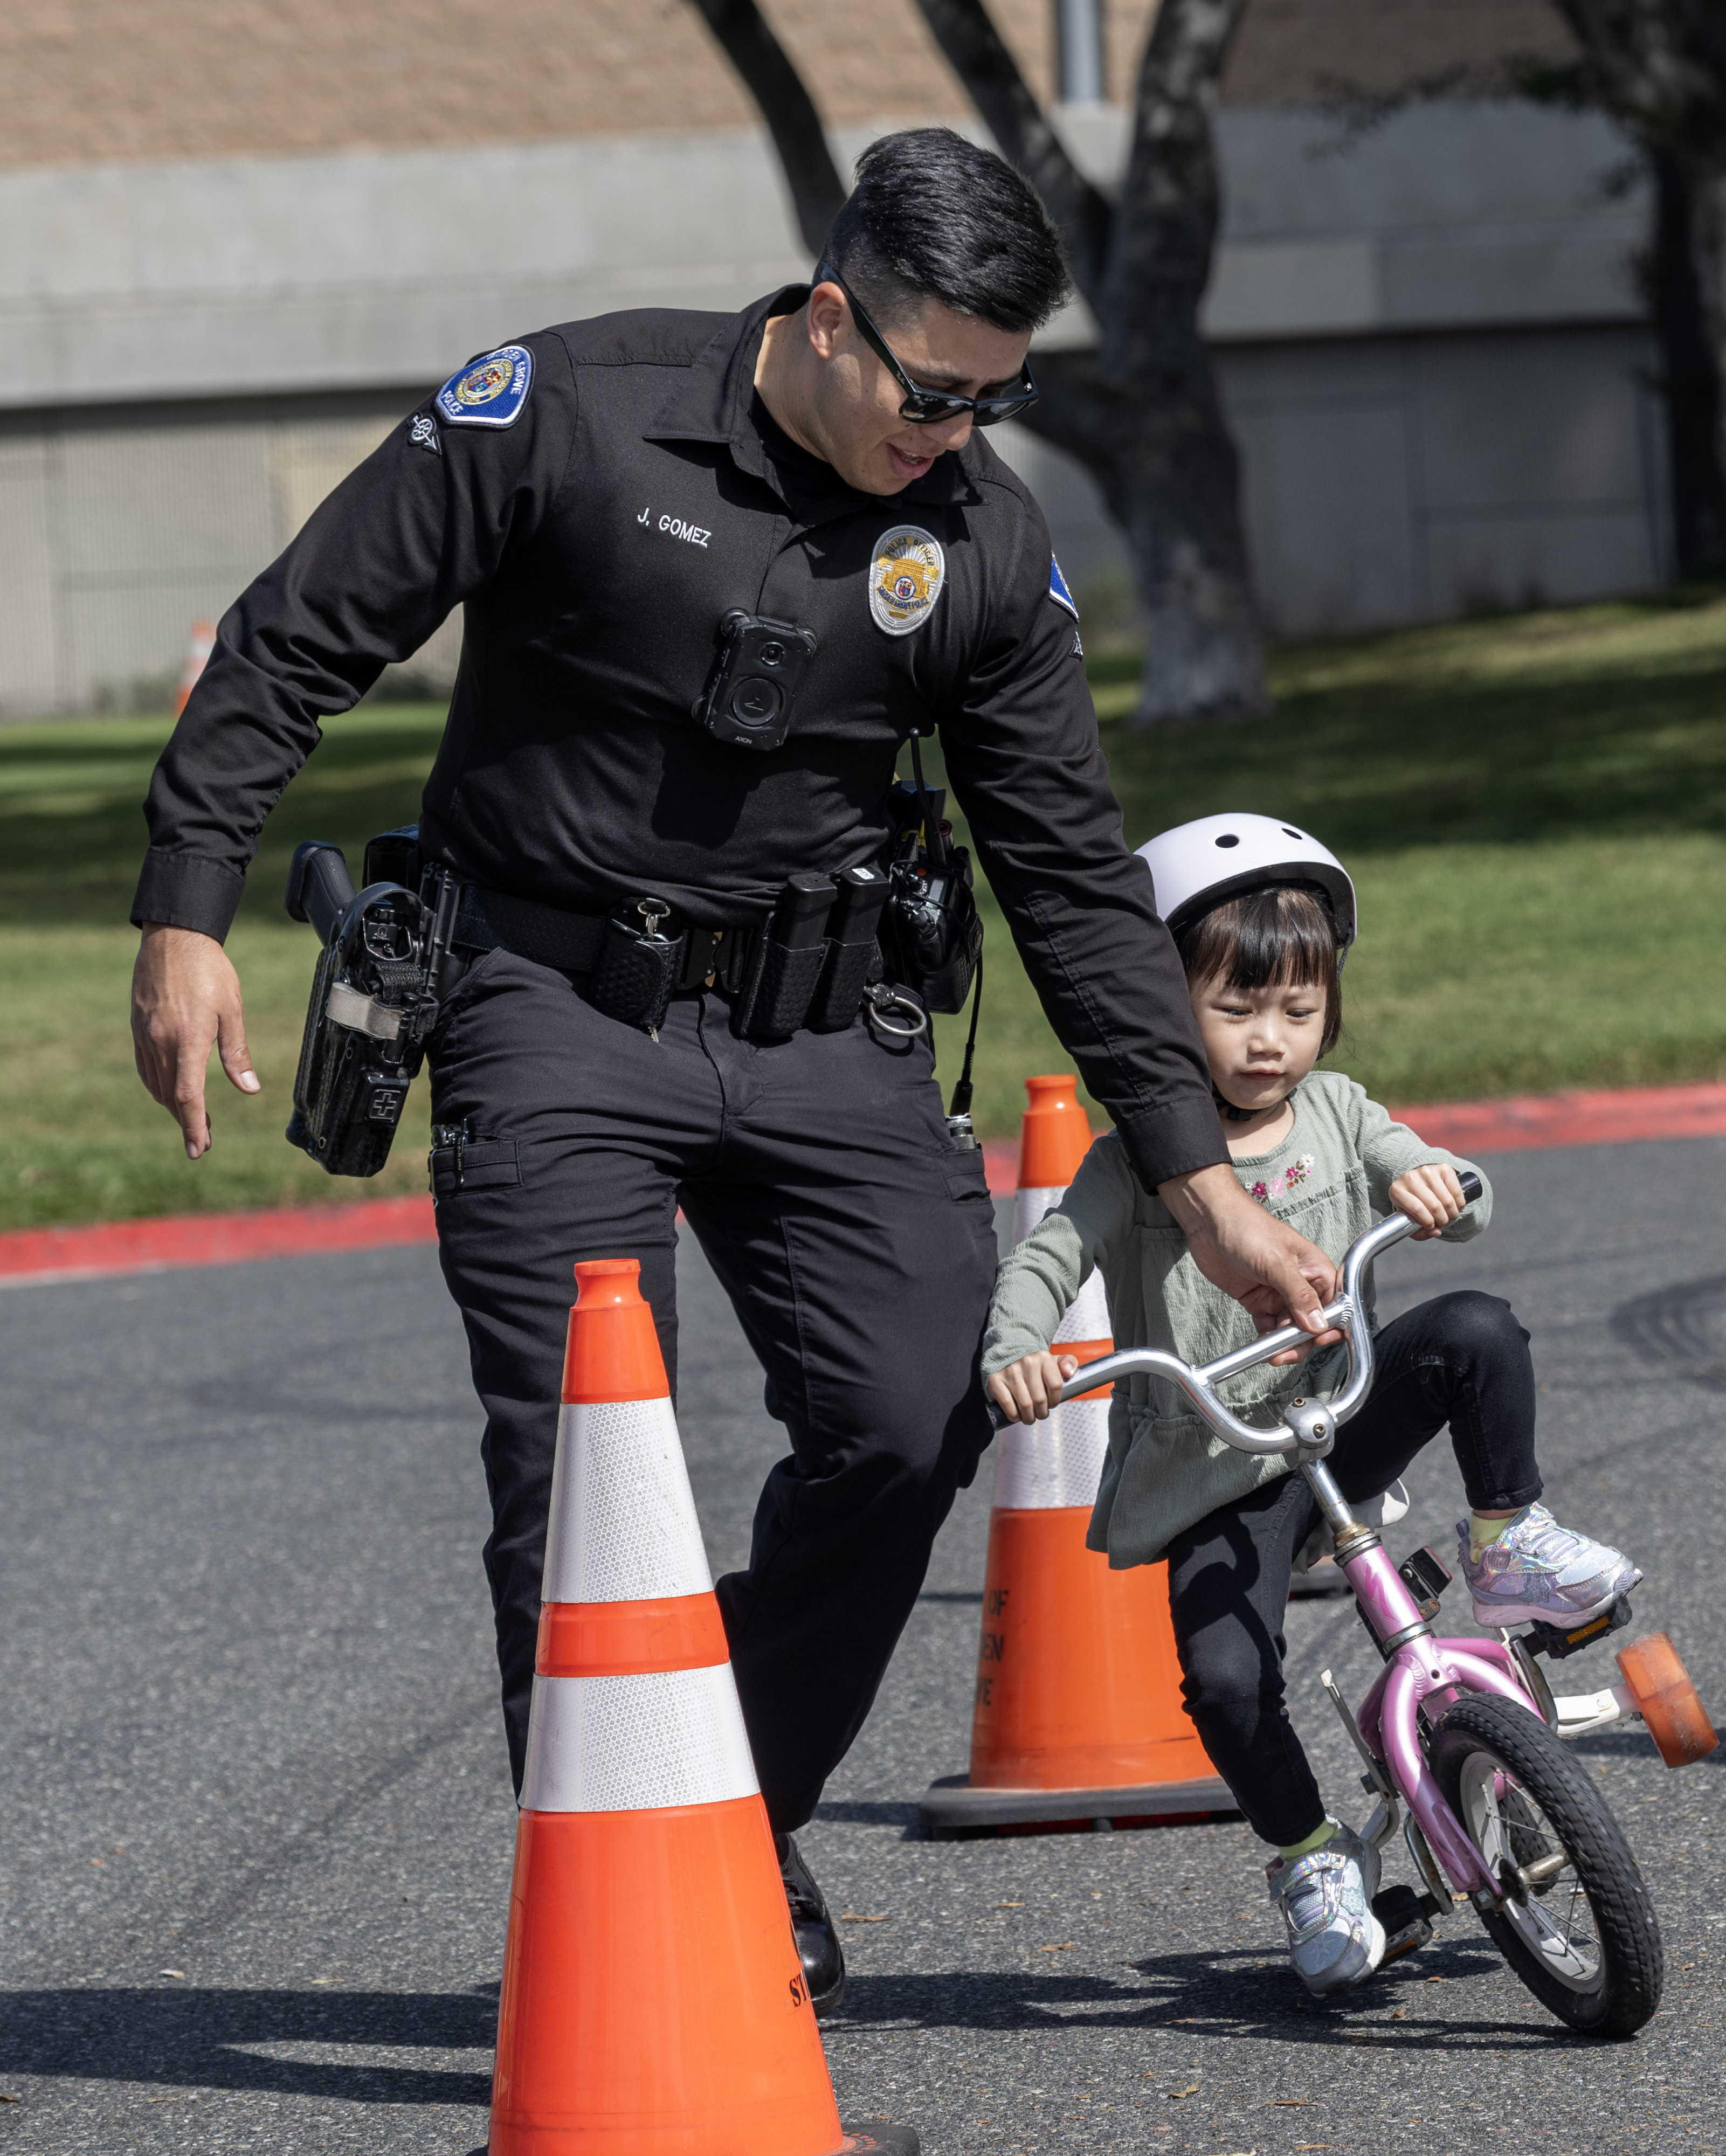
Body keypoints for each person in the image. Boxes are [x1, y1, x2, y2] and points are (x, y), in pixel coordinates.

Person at [127, 131, 1350, 2013]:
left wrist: (1205, 1187)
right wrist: (186, 908)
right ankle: (619, 1940)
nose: (955, 430)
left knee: (921, 1410)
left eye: (996, 396)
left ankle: (716, 1817)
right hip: (547, 1001)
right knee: (586, 1467)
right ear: (831, 313)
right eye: (930, 388)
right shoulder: (566, 412)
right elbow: (297, 641)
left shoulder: (984, 541)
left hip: (822, 1027)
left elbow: (1070, 884)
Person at [982, 812, 1641, 1999]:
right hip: (1217, 1458)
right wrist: (1019, 1344)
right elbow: (1048, 1258)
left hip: (1338, 1411)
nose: (1268, 1039)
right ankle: (1307, 1857)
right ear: (1159, 1004)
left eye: (1296, 1009)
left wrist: (1445, 1184)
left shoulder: (1338, 1108)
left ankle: (1507, 1541)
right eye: (1234, 1008)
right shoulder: (1135, 1155)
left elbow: (1450, 1181)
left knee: (1476, 1326)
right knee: (1226, 1678)